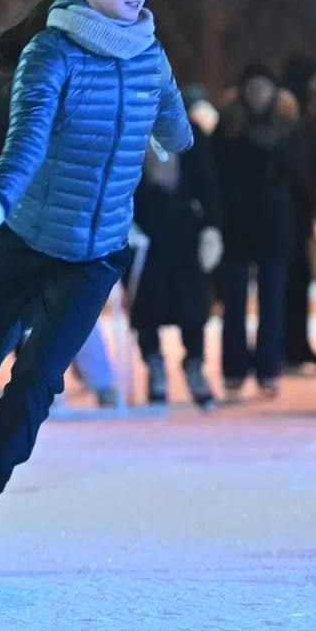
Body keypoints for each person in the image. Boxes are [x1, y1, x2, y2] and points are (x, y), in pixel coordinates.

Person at [0, 0, 193, 574]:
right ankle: (15, 315)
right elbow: (25, 140)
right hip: (26, 239)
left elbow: (176, 130)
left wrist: (175, 135)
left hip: (96, 253)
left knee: (36, 382)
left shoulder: (150, 55)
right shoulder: (51, 53)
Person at [214, 63, 303, 402]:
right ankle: (234, 369)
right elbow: (216, 172)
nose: (258, 94)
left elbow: (300, 173)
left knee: (273, 302)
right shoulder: (228, 126)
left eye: (264, 88)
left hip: (275, 224)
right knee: (234, 303)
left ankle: (268, 368)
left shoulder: (287, 126)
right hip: (236, 225)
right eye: (252, 88)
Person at [130, 86, 223, 409]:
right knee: (146, 301)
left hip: (184, 226)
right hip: (145, 227)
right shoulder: (130, 128)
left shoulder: (191, 133)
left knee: (192, 303)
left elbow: (208, 182)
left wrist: (212, 226)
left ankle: (194, 363)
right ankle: (154, 364)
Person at [280, 55, 316, 371]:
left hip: (298, 211)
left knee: (298, 277)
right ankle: (291, 345)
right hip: (290, 211)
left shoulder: (303, 115)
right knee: (292, 278)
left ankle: (296, 344)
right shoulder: (294, 115)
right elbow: (301, 163)